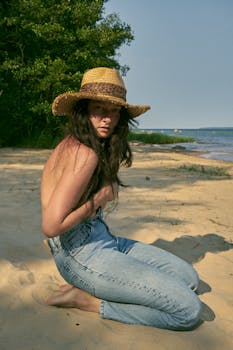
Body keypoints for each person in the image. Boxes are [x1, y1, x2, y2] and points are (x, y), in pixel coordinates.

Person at [41, 67, 202, 330]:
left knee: (188, 278)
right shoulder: (84, 154)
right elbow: (50, 226)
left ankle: (98, 285)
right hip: (81, 254)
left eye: (114, 111)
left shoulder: (76, 143)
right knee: (187, 310)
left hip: (101, 240)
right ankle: (88, 301)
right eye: (99, 109)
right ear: (83, 110)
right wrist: (100, 198)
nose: (107, 118)